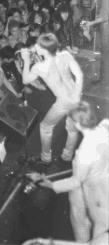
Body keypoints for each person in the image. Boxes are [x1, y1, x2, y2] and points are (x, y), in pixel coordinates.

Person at [37, 101, 109, 243]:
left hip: (86, 190)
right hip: (104, 186)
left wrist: (51, 185)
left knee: (79, 220)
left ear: (77, 123)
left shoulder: (84, 153)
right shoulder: (104, 128)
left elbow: (76, 182)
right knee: (101, 227)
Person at [21, 33, 83, 165]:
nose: (36, 46)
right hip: (75, 97)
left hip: (63, 102)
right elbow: (79, 75)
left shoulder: (39, 67)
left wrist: (26, 61)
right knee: (72, 129)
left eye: (38, 44)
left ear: (44, 49)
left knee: (45, 127)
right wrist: (76, 95)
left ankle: (45, 158)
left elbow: (25, 79)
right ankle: (67, 156)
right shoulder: (65, 55)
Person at [82, 0, 109, 85]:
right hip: (105, 27)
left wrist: (90, 23)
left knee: (105, 54)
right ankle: (104, 79)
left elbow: (104, 17)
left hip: (107, 28)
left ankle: (104, 81)